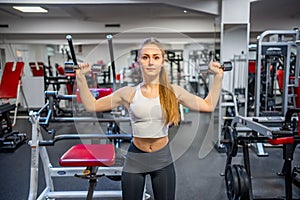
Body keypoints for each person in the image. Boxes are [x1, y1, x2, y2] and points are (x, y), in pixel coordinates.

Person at [76, 38, 224, 200]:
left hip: (162, 160)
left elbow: (208, 105)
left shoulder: (173, 92)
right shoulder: (128, 93)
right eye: (145, 57)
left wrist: (218, 77)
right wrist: (81, 79)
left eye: (155, 57)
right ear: (138, 61)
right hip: (135, 159)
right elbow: (92, 105)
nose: (150, 62)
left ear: (162, 61)